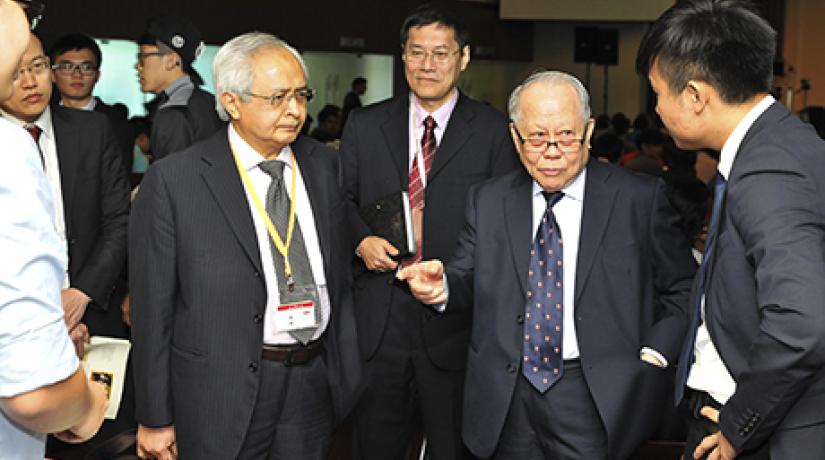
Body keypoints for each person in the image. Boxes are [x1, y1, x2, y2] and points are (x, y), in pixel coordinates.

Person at [397, 70, 697, 460]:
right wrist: (441, 289)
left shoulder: (638, 199)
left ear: (588, 131)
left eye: (566, 136)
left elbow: (684, 287)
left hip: (597, 391)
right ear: (515, 137)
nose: (552, 151)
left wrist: (655, 353)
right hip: (506, 396)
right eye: (537, 137)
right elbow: (465, 275)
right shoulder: (489, 200)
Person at [130, 31, 363, 459]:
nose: (295, 110)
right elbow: (152, 309)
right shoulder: (176, 180)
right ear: (232, 102)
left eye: (301, 95)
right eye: (277, 98)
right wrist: (154, 416)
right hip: (219, 388)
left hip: (312, 379)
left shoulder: (325, 165)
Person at [637, 1, 825, 459]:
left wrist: (742, 424)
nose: (657, 108)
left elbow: (802, 321)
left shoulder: (770, 169)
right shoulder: (782, 141)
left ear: (696, 95)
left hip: (762, 426)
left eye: (658, 92)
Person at [340, 5, 520, 459]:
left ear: (463, 58)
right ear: (402, 57)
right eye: (416, 52)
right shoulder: (365, 124)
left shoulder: (496, 131)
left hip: (455, 324)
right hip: (380, 321)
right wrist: (360, 240)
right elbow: (339, 202)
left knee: (453, 448)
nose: (427, 64)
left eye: (440, 53)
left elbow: (503, 225)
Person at [0, 31, 132, 458]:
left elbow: (118, 220)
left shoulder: (92, 129)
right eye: (16, 72)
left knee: (88, 443)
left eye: (37, 67)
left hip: (89, 315)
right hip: (15, 324)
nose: (30, 82)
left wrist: (80, 294)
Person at [135, 16, 222, 161]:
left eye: (143, 56)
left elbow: (173, 180)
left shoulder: (174, 112)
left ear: (171, 60)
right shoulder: (209, 101)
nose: (138, 66)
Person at [48, 33, 137, 174]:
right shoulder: (42, 121)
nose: (77, 75)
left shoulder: (116, 124)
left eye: (86, 67)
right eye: (67, 66)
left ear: (97, 75)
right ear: (52, 74)